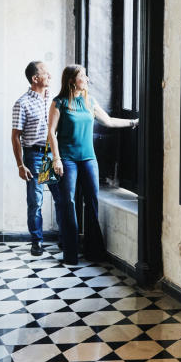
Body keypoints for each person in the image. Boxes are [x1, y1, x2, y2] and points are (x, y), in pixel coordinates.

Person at [47, 65, 137, 264]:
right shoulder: (59, 102)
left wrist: (134, 123)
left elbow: (110, 121)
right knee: (68, 203)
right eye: (82, 76)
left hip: (88, 158)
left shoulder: (90, 101)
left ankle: (93, 251)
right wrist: (57, 158)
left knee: (92, 202)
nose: (87, 79)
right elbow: (51, 133)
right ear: (72, 80)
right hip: (67, 159)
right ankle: (70, 253)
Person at [11, 61, 62, 257]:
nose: (50, 75)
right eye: (45, 73)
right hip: (34, 155)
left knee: (60, 198)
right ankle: (36, 242)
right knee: (36, 201)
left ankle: (64, 240)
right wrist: (20, 164)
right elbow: (15, 136)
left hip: (52, 154)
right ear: (35, 78)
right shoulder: (22, 103)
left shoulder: (54, 100)